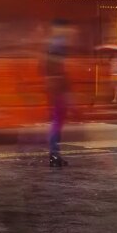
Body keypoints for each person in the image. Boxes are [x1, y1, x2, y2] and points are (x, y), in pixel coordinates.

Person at [44, 19, 73, 167]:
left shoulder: (54, 44)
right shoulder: (57, 44)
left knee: (58, 122)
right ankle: (54, 154)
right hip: (59, 89)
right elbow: (55, 68)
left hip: (57, 88)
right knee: (57, 122)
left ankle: (55, 153)